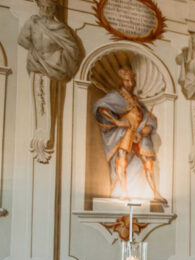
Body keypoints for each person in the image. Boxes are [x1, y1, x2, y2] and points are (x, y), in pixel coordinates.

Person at [93, 67, 166, 204]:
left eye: (132, 81)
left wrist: (148, 127)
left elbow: (148, 117)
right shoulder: (116, 96)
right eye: (127, 81)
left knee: (148, 161)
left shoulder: (136, 101)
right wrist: (116, 122)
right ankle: (124, 192)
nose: (130, 84)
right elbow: (100, 107)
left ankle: (155, 193)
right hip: (125, 132)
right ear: (121, 81)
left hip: (139, 133)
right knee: (121, 160)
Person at [17, 0, 82, 81]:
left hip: (54, 66)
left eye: (49, 7)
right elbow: (21, 39)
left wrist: (59, 59)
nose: (45, 10)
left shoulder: (60, 28)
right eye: (42, 7)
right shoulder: (33, 22)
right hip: (34, 62)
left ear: (54, 9)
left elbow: (73, 49)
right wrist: (33, 50)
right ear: (39, 6)